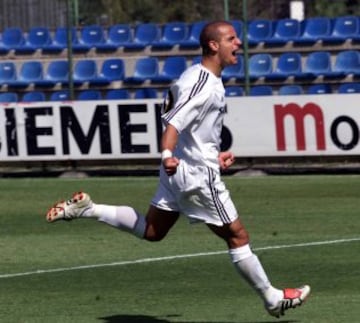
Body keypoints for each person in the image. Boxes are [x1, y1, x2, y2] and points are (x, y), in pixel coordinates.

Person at [46, 21, 310, 318]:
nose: (238, 44)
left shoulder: (197, 77)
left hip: (183, 169)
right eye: (231, 39)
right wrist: (168, 154)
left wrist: (212, 154)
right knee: (237, 236)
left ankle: (89, 209)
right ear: (214, 45)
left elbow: (190, 128)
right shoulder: (203, 84)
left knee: (152, 230)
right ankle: (271, 298)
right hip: (194, 175)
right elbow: (174, 123)